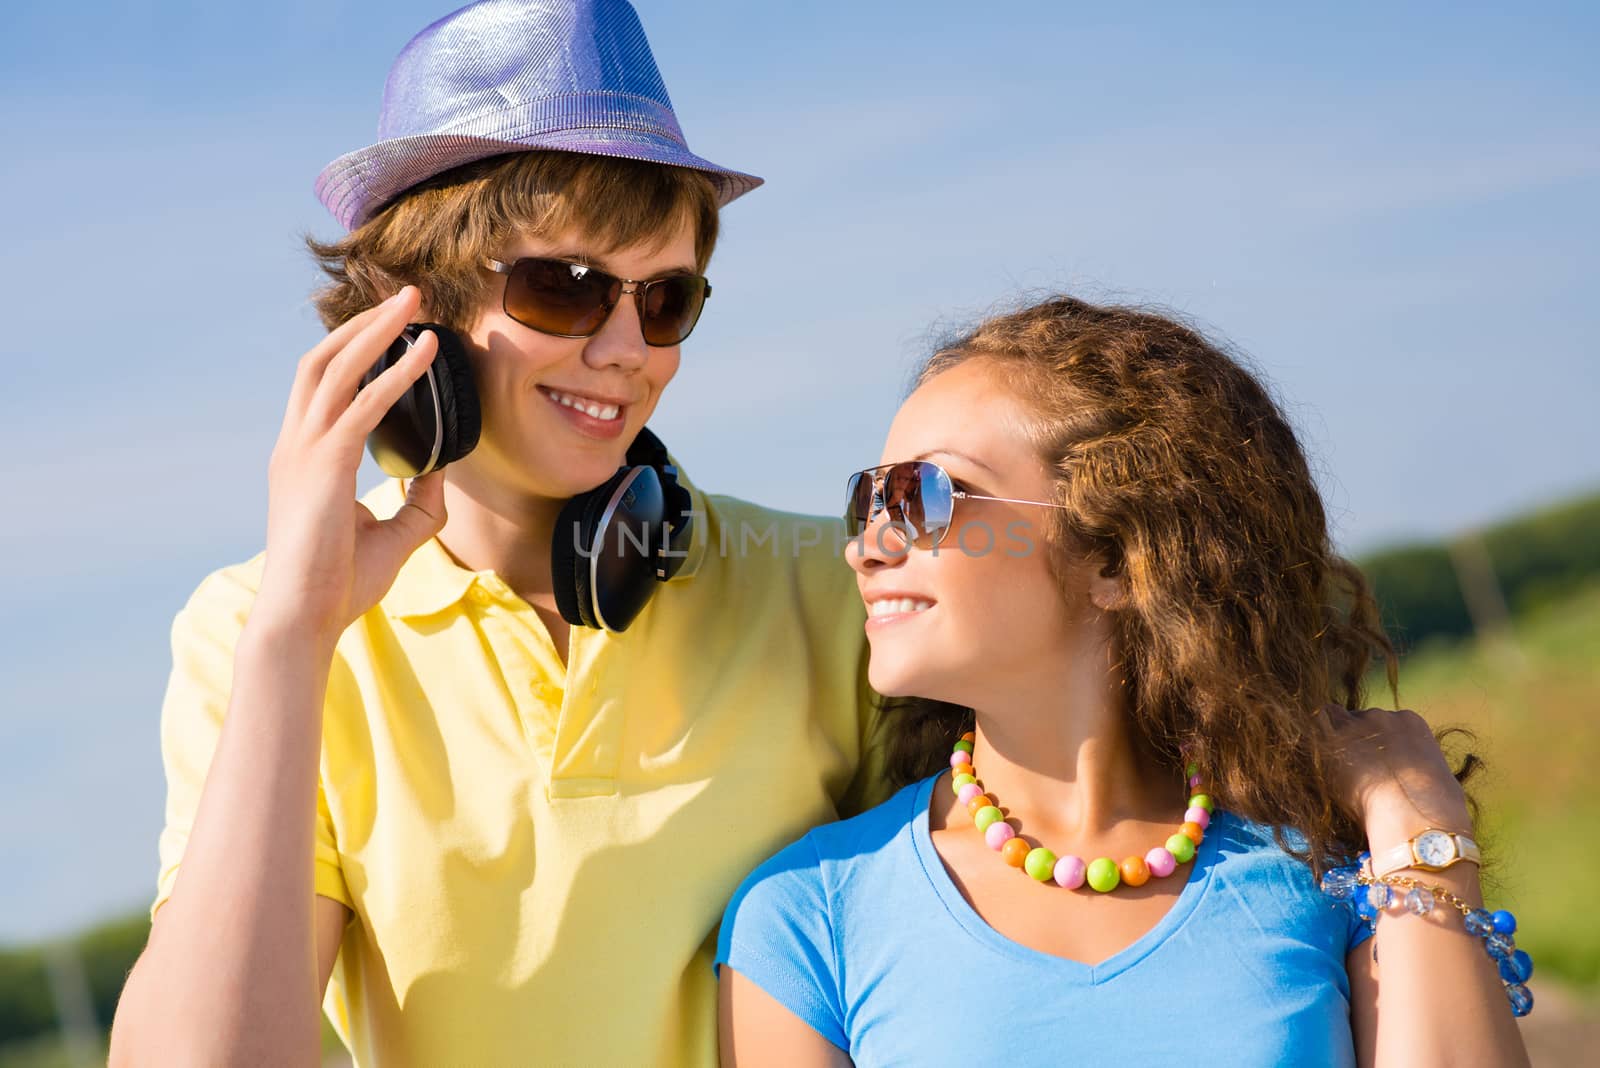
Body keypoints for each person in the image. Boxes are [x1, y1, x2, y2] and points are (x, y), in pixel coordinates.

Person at [108, 2, 883, 1064]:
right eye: (564, 289)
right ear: (410, 318)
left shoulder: (832, 594)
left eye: (664, 299)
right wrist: (295, 638)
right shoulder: (252, 628)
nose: (627, 350)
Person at [716, 297, 1533, 1066]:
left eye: (924, 495)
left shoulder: (1329, 867)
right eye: (869, 500)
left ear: (1113, 557)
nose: (870, 544)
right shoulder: (807, 913)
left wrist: (1418, 826)